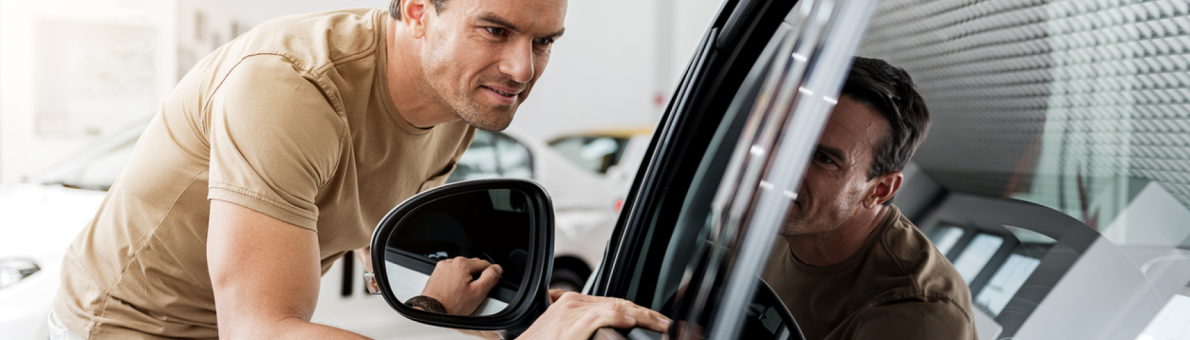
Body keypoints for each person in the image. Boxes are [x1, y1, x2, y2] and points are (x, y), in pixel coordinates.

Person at [50, 0, 669, 339]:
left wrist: (511, 311)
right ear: (419, 11)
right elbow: (263, 332)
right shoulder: (291, 87)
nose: (520, 69)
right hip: (123, 329)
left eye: (543, 42)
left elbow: (381, 256)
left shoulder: (456, 99)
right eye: (495, 29)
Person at [761, 57, 976, 340]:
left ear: (880, 190)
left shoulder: (919, 310)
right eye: (783, 140)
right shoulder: (774, 215)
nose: (781, 166)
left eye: (824, 158)